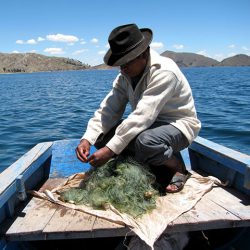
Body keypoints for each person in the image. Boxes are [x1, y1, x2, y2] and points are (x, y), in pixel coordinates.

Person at [76, 23, 201, 193]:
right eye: (120, 64)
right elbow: (109, 109)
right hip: (148, 126)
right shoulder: (125, 76)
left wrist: (110, 150)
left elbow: (143, 116)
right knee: (101, 135)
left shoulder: (164, 71)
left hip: (178, 126)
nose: (122, 69)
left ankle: (178, 167)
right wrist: (87, 139)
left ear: (143, 54)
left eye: (126, 63)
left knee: (146, 141)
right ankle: (142, 163)